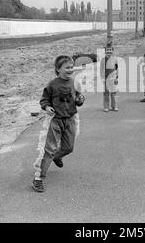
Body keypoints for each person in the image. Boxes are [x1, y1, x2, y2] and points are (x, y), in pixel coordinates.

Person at [32, 55, 85, 193]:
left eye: (72, 67)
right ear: (58, 69)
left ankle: (58, 156)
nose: (70, 70)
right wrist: (46, 107)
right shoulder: (52, 84)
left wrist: (80, 99)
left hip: (71, 119)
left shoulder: (75, 83)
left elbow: (79, 99)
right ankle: (38, 178)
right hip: (55, 120)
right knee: (48, 149)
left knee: (69, 147)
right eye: (67, 67)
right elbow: (44, 100)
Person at [100, 46, 119, 112]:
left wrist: (117, 78)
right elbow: (101, 70)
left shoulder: (115, 59)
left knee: (113, 93)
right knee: (106, 93)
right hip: (106, 78)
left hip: (113, 78)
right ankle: (106, 107)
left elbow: (116, 69)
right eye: (107, 50)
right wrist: (102, 78)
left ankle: (114, 106)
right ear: (105, 51)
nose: (109, 51)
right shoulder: (103, 60)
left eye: (110, 50)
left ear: (113, 51)